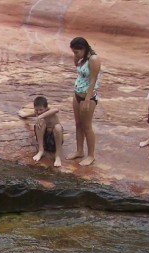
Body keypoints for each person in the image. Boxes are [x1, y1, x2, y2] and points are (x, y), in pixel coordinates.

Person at [68, 37, 101, 166]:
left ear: (84, 48)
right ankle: (79, 150)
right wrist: (76, 59)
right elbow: (80, 71)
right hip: (77, 94)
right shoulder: (83, 58)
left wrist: (87, 100)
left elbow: (93, 80)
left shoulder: (93, 59)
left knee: (87, 127)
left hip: (88, 97)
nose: (75, 54)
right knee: (78, 124)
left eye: (76, 52)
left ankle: (91, 155)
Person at [32, 96, 63, 167]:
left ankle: (57, 156)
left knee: (58, 127)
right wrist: (25, 115)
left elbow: (56, 110)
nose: (39, 112)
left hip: (53, 140)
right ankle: (41, 150)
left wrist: (40, 117)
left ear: (46, 108)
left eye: (41, 110)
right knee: (40, 123)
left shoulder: (50, 111)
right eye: (36, 110)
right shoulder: (38, 113)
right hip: (44, 141)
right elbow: (34, 114)